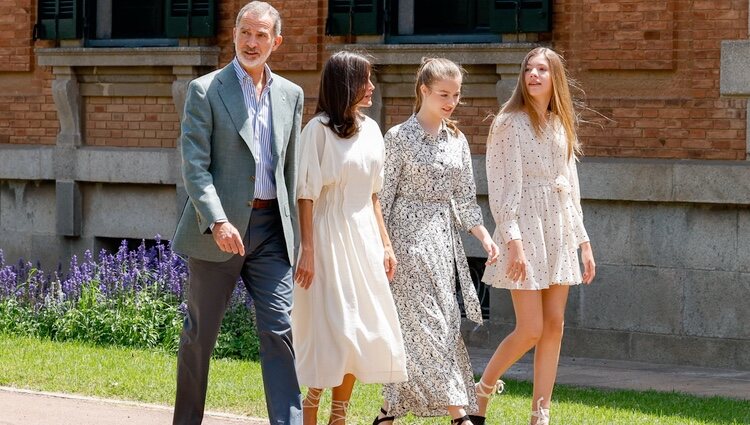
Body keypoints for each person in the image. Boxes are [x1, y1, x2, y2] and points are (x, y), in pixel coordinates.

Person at [170, 2, 305, 424]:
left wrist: (299, 238)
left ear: (276, 42)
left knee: (281, 329)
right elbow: (194, 165)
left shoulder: (292, 95)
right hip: (219, 231)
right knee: (199, 336)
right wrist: (217, 219)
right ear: (234, 35)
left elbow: (290, 171)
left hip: (271, 232)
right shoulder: (205, 90)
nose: (252, 42)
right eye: (245, 32)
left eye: (261, 35)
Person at [375, 57, 500, 425]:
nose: (450, 101)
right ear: (423, 91)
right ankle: (459, 414)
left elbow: (464, 199)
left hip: (444, 245)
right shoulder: (397, 138)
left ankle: (387, 412)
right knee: (426, 325)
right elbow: (380, 199)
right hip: (405, 242)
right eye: (443, 94)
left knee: (439, 325)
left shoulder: (458, 140)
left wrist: (485, 238)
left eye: (457, 95)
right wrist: (384, 247)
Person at [476, 47, 596, 425]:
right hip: (523, 229)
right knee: (530, 328)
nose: (533, 75)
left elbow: (569, 186)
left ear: (554, 77)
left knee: (555, 325)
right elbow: (501, 187)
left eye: (542, 69)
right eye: (529, 68)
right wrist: (513, 242)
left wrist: (584, 242)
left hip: (558, 225)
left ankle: (540, 413)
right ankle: (481, 390)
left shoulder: (562, 124)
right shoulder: (508, 122)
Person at [292, 51, 408, 425]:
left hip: (364, 238)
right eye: (365, 79)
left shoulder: (373, 130)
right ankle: (311, 406)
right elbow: (306, 193)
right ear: (345, 84)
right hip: (327, 238)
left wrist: (386, 244)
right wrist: (307, 249)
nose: (372, 86)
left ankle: (338, 415)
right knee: (333, 331)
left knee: (360, 330)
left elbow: (373, 195)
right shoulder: (317, 131)